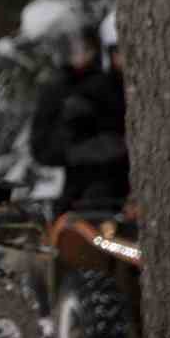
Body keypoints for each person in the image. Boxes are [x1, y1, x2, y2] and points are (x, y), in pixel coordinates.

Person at [30, 11, 129, 210]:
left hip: (120, 179)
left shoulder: (110, 81)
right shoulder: (55, 90)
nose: (80, 55)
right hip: (79, 184)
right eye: (72, 49)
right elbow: (41, 147)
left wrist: (114, 144)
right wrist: (78, 150)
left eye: (86, 48)